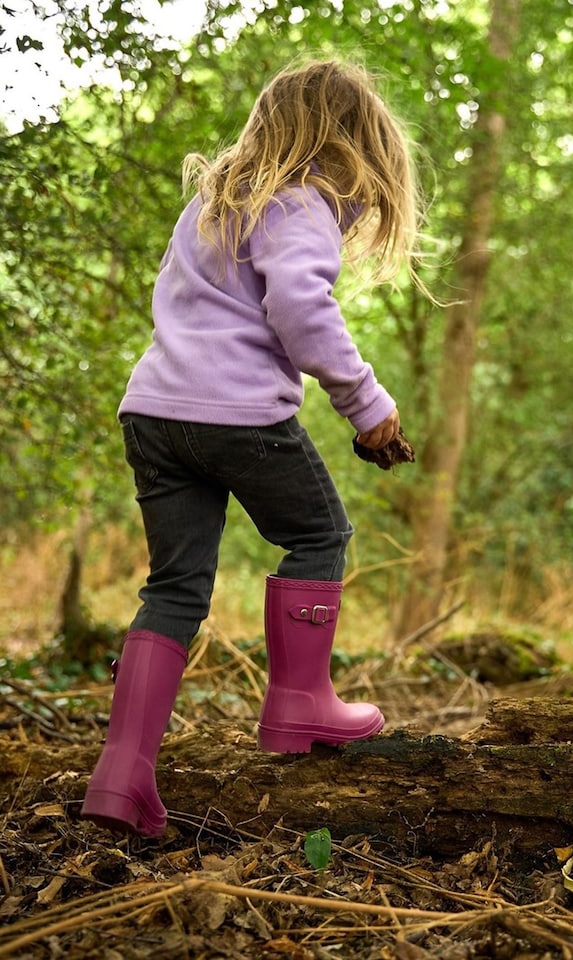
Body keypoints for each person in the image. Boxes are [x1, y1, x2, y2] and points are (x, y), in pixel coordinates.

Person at [81, 59, 424, 838]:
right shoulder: (299, 201)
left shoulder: (212, 203)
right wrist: (367, 405)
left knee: (173, 588)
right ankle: (300, 704)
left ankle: (121, 774)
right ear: (348, 144)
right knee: (317, 533)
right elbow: (301, 306)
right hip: (237, 416)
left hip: (156, 413)